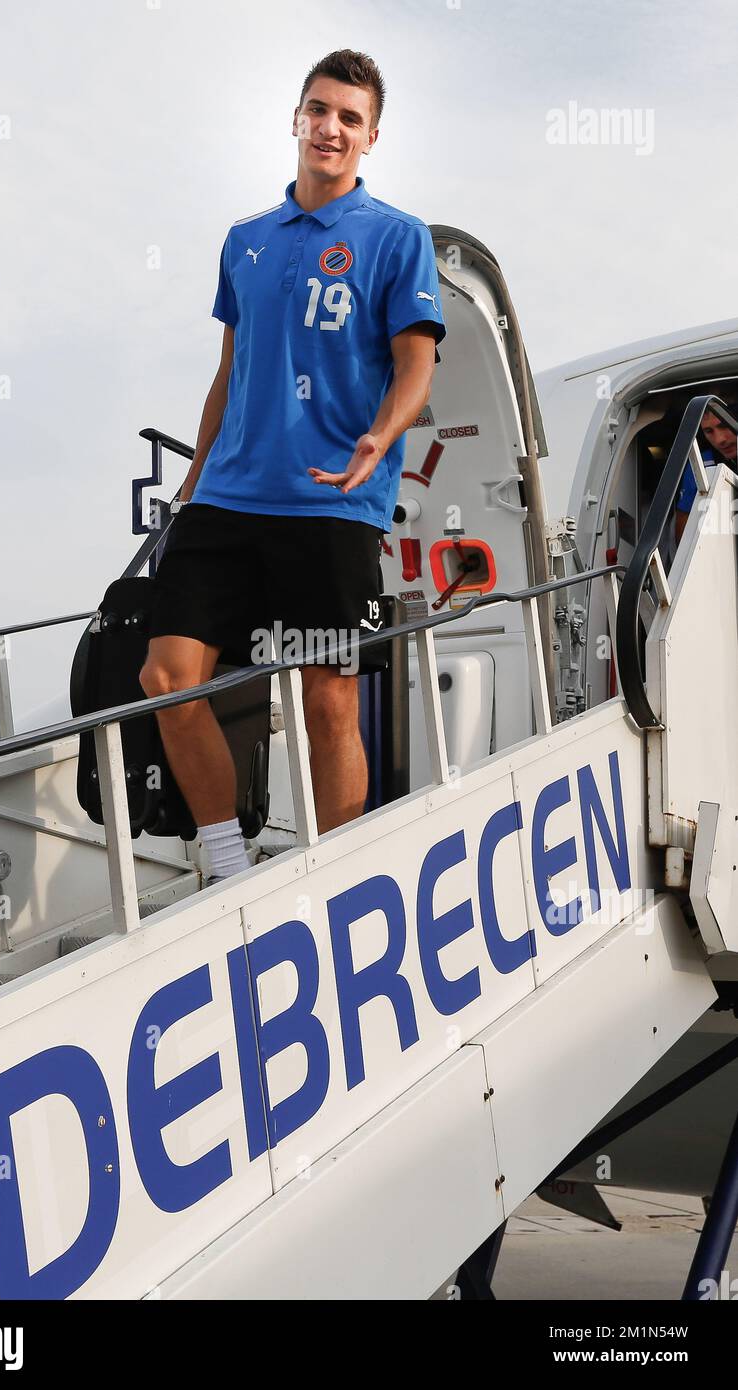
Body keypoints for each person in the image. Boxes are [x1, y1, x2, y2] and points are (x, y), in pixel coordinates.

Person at [140, 48, 446, 882]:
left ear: (371, 136)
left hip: (332, 504)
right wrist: (192, 485)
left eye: (350, 118)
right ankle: (229, 863)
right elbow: (230, 371)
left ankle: (336, 876)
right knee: (166, 679)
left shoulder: (396, 238)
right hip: (229, 500)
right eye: (320, 111)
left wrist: (383, 436)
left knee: (326, 697)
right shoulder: (245, 242)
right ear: (297, 119)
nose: (331, 128)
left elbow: (415, 366)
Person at [674, 396, 738, 545]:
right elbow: (684, 539)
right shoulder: (700, 465)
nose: (720, 439)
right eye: (709, 431)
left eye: (724, 426)